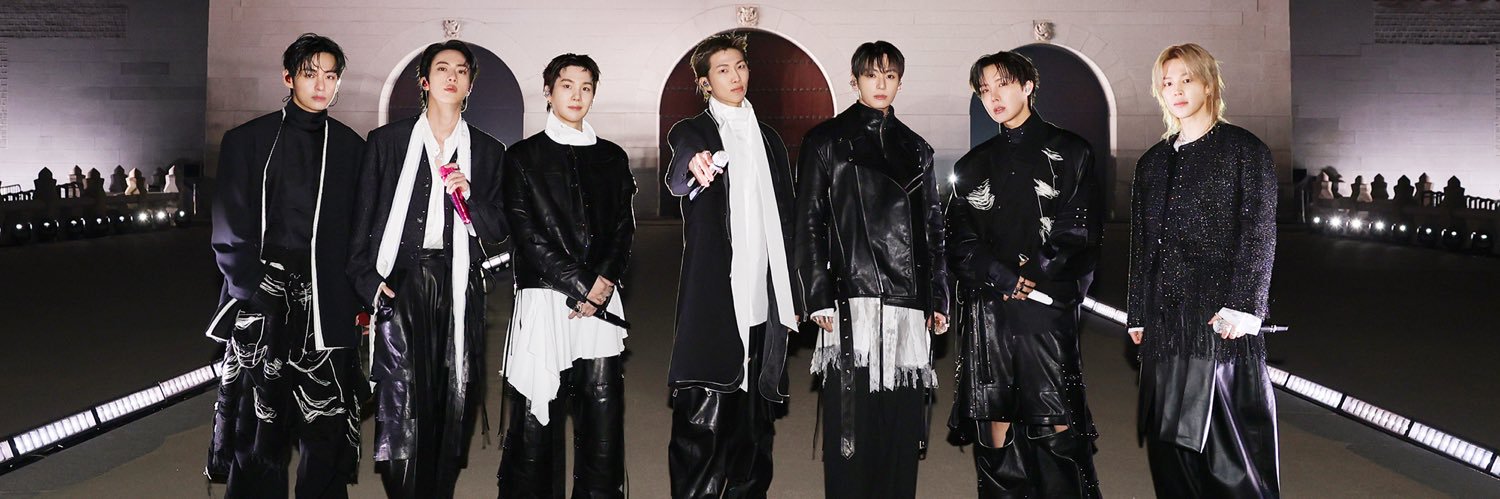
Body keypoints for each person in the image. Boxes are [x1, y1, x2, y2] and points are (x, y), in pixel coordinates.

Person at [204, 33, 365, 499]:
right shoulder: (247, 140)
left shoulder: (351, 148)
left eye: (330, 76)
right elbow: (228, 224)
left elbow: (361, 230)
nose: (321, 85)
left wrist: (357, 295)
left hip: (327, 300)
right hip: (262, 297)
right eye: (310, 74)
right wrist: (252, 288)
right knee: (259, 428)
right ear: (288, 77)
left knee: (327, 424)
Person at [347, 39, 509, 498]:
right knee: (400, 404)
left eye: (461, 70)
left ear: (470, 85)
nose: (451, 76)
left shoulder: (488, 151)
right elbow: (362, 223)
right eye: (442, 68)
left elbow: (500, 230)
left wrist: (471, 196)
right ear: (424, 81)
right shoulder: (387, 142)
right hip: (400, 282)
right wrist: (369, 284)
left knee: (450, 399)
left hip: (458, 286)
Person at [794, 40, 948, 499]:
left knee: (900, 427)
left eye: (890, 75)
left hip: (907, 304)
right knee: (852, 428)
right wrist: (817, 293)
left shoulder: (916, 147)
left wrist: (938, 297)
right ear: (855, 79)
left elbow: (932, 229)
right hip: (852, 301)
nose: (881, 84)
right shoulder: (826, 141)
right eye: (871, 74)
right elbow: (808, 222)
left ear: (900, 82)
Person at [945, 50, 1103, 498]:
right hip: (989, 311)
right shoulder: (973, 164)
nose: (993, 97)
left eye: (1003, 84)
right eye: (984, 90)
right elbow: (957, 239)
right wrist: (1000, 276)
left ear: (1028, 86)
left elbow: (1081, 230)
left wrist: (1032, 274)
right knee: (995, 429)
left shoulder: (1071, 151)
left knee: (1056, 422)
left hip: (1044, 309)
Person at [1128, 42, 1280, 498]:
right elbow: (1142, 245)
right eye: (1167, 82)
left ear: (1209, 84)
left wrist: (1244, 306)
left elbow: (1259, 233)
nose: (1175, 90)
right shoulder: (1152, 162)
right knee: (1170, 456)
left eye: (1186, 80)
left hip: (1220, 325)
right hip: (1165, 328)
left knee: (1229, 461)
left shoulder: (1244, 151)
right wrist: (1138, 312)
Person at [662, 32, 802, 498]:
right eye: (722, 70)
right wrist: (694, 165)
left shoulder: (770, 140)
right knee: (701, 428)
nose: (735, 76)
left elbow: (789, 218)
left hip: (764, 302)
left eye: (740, 66)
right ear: (705, 82)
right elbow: (681, 169)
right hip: (715, 302)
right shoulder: (693, 131)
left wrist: (799, 292)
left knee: (754, 433)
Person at [495, 53, 636, 498]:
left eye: (586, 87)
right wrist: (580, 284)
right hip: (544, 297)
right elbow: (526, 233)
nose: (577, 95)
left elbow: (623, 227)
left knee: (602, 422)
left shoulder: (612, 156)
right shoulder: (521, 156)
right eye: (567, 85)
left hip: (601, 301)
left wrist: (602, 283)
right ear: (548, 91)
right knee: (537, 424)